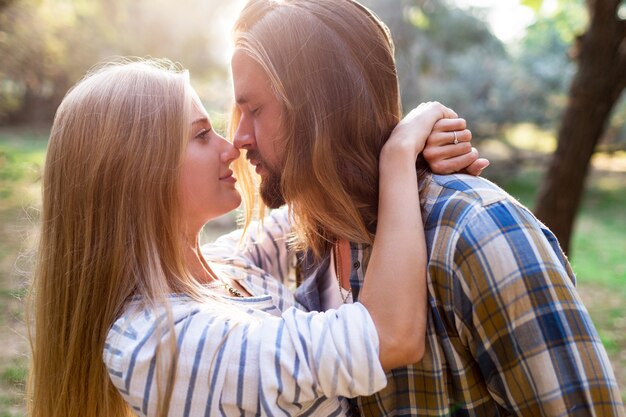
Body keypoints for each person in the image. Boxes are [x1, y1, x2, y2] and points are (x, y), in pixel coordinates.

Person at [229, 0, 626, 416]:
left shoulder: (480, 232)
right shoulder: (307, 239)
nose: (238, 137)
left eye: (254, 110)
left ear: (320, 108)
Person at [26, 59, 476, 417]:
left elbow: (317, 201)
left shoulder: (225, 270)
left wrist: (405, 157)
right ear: (139, 172)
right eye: (202, 135)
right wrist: (399, 154)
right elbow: (389, 336)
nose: (231, 147)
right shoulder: (159, 344)